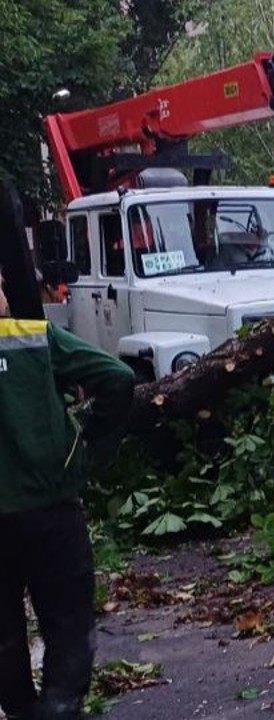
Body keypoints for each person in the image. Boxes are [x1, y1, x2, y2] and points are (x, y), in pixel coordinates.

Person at [0, 271, 136, 719]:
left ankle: (18, 706)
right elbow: (117, 377)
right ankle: (58, 705)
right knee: (67, 620)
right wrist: (92, 449)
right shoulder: (34, 339)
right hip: (51, 509)